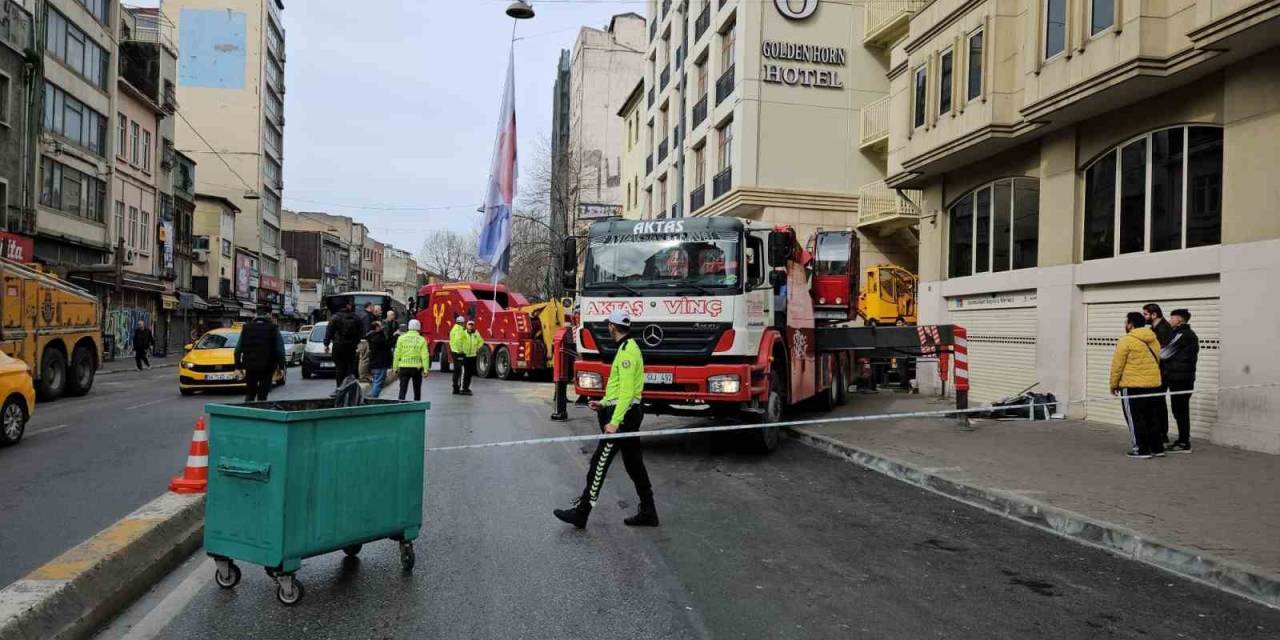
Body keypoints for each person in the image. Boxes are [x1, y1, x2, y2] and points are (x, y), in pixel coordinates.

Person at [554, 309, 657, 529]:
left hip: (624, 416)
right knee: (634, 464)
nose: (608, 328)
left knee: (598, 463)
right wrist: (603, 403)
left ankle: (582, 513)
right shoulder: (626, 348)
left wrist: (615, 421)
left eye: (609, 325)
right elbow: (620, 388)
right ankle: (649, 511)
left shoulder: (628, 351)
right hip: (625, 413)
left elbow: (628, 392)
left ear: (612, 326)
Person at [1110, 312, 1165, 459]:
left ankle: (1141, 449)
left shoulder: (1126, 340)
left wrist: (1114, 384)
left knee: (1135, 419)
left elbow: (1118, 365)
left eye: (1126, 322)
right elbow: (1158, 359)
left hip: (1132, 386)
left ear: (1131, 324)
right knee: (1152, 417)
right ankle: (1157, 448)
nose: (1125, 325)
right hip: (1153, 384)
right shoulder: (1154, 340)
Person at [1162, 309, 1199, 453]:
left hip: (1181, 379)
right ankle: (1182, 440)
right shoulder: (1183, 334)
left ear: (1179, 320)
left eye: (1172, 318)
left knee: (1180, 410)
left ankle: (1184, 443)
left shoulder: (1183, 334)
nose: (1170, 321)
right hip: (1181, 378)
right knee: (1179, 410)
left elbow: (1165, 353)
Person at [234, 310, 285, 402]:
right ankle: (260, 412)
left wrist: (237, 367)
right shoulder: (273, 329)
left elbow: (237, 350)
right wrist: (281, 367)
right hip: (267, 368)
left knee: (250, 393)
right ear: (269, 317)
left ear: (255, 316)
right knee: (262, 395)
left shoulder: (246, 328)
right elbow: (280, 351)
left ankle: (247, 413)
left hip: (250, 367)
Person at [1141, 303, 1173, 443]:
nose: (1144, 317)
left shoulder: (1164, 329)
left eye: (1146, 314)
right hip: (1157, 371)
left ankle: (1161, 434)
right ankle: (1158, 433)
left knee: (1158, 403)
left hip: (1162, 372)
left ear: (1154, 315)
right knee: (1155, 403)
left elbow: (1162, 353)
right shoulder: (1154, 328)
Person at [324, 303, 363, 387]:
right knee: (350, 367)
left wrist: (326, 344)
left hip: (338, 345)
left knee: (339, 367)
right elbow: (361, 332)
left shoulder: (335, 317)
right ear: (349, 306)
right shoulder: (356, 318)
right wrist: (356, 342)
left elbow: (329, 332)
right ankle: (348, 386)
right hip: (351, 346)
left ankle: (340, 387)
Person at [393, 319, 430, 400]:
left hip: (404, 367)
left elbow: (397, 354)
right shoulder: (421, 339)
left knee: (402, 390)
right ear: (419, 328)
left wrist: (395, 367)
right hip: (416, 368)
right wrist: (426, 369)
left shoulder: (401, 338)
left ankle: (400, 406)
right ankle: (416, 406)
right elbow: (425, 356)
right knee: (417, 390)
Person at [550, 322, 573, 421]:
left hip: (563, 369)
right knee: (560, 386)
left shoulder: (565, 336)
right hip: (561, 369)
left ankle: (560, 411)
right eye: (568, 328)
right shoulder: (563, 335)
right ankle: (559, 412)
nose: (570, 330)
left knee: (562, 386)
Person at [457, 320, 485, 395]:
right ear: (466, 325)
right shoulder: (463, 333)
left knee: (469, 374)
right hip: (465, 356)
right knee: (464, 373)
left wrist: (477, 348)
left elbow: (481, 341)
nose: (471, 326)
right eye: (469, 324)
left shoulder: (476, 334)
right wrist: (460, 351)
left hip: (473, 356)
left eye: (472, 325)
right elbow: (458, 342)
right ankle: (462, 388)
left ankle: (467, 388)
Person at [366, 320, 393, 398]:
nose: (382, 327)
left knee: (376, 381)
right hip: (380, 363)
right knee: (378, 382)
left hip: (374, 363)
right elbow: (387, 346)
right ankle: (373, 398)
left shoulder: (371, 336)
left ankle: (371, 395)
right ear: (377, 327)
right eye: (380, 326)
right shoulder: (378, 338)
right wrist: (394, 337)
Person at [449, 315, 467, 394]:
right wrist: (461, 351)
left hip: (453, 351)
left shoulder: (453, 329)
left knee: (456, 370)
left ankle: (455, 387)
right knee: (461, 371)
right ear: (462, 323)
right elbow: (458, 341)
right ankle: (460, 388)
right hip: (458, 352)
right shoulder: (460, 330)